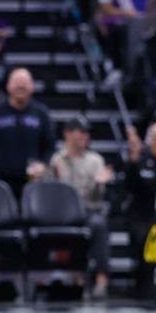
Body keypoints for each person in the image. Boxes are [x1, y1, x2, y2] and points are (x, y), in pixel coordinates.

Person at [43, 116, 113, 298]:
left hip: (87, 210)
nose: (85, 136)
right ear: (67, 134)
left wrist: (99, 183)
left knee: (99, 224)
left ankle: (101, 280)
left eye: (86, 132)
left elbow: (97, 196)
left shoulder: (95, 160)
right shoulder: (56, 159)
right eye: (80, 132)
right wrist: (47, 176)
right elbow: (50, 191)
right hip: (62, 214)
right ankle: (45, 278)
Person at [0, 68, 55, 199]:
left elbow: (50, 145)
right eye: (17, 81)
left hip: (32, 182)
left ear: (32, 86)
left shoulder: (41, 113)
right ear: (7, 85)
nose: (20, 85)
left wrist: (43, 164)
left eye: (24, 82)